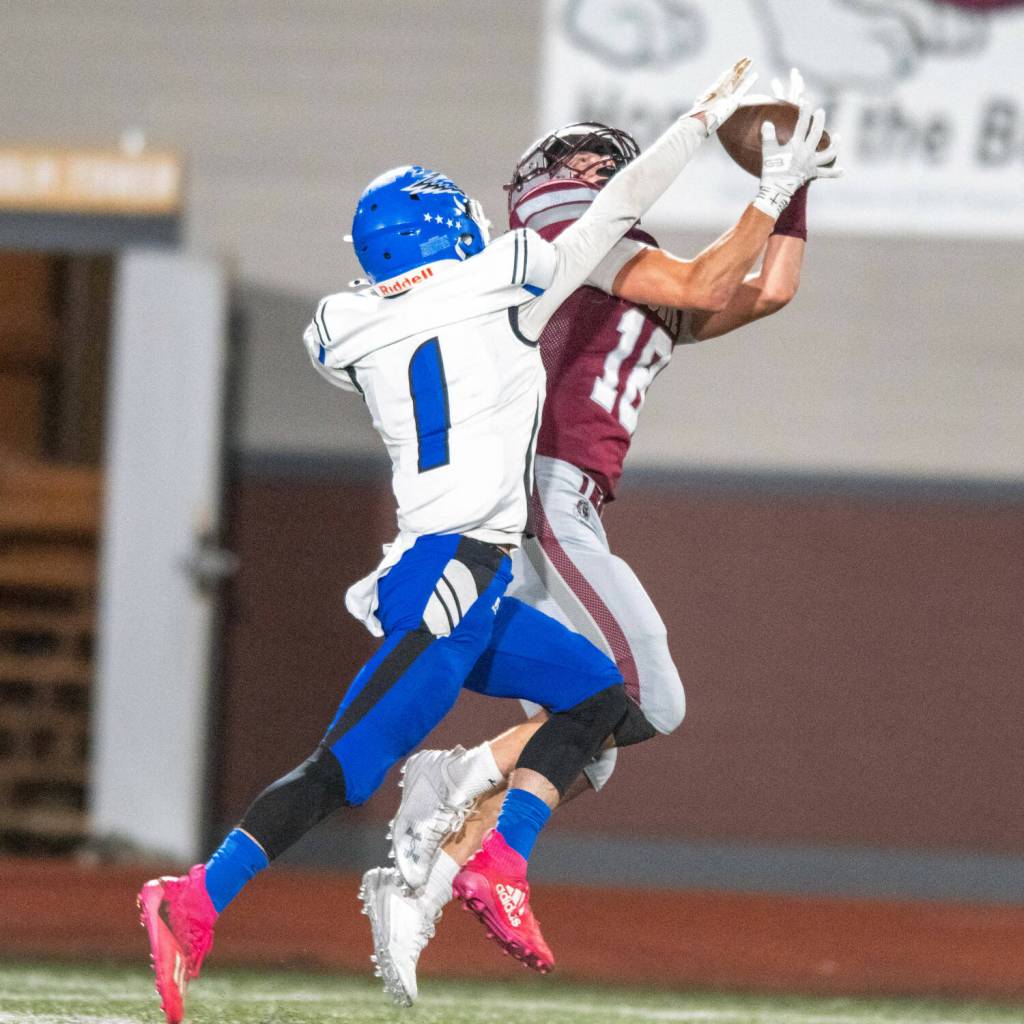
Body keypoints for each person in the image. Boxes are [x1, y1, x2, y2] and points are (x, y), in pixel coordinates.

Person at [135, 56, 768, 1024]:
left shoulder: (345, 328)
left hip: (450, 570)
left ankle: (501, 862)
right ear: (448, 227)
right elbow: (614, 208)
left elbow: (383, 331)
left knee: (600, 698)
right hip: (449, 579)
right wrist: (695, 123)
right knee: (340, 769)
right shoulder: (502, 286)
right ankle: (193, 895)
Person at [361, 75, 842, 1006]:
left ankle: (432, 875)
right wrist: (772, 186)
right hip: (537, 498)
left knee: (590, 740)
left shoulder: (632, 275)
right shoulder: (560, 251)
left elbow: (768, 288)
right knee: (644, 696)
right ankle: (453, 779)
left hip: (563, 504)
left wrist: (801, 190)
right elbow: (710, 278)